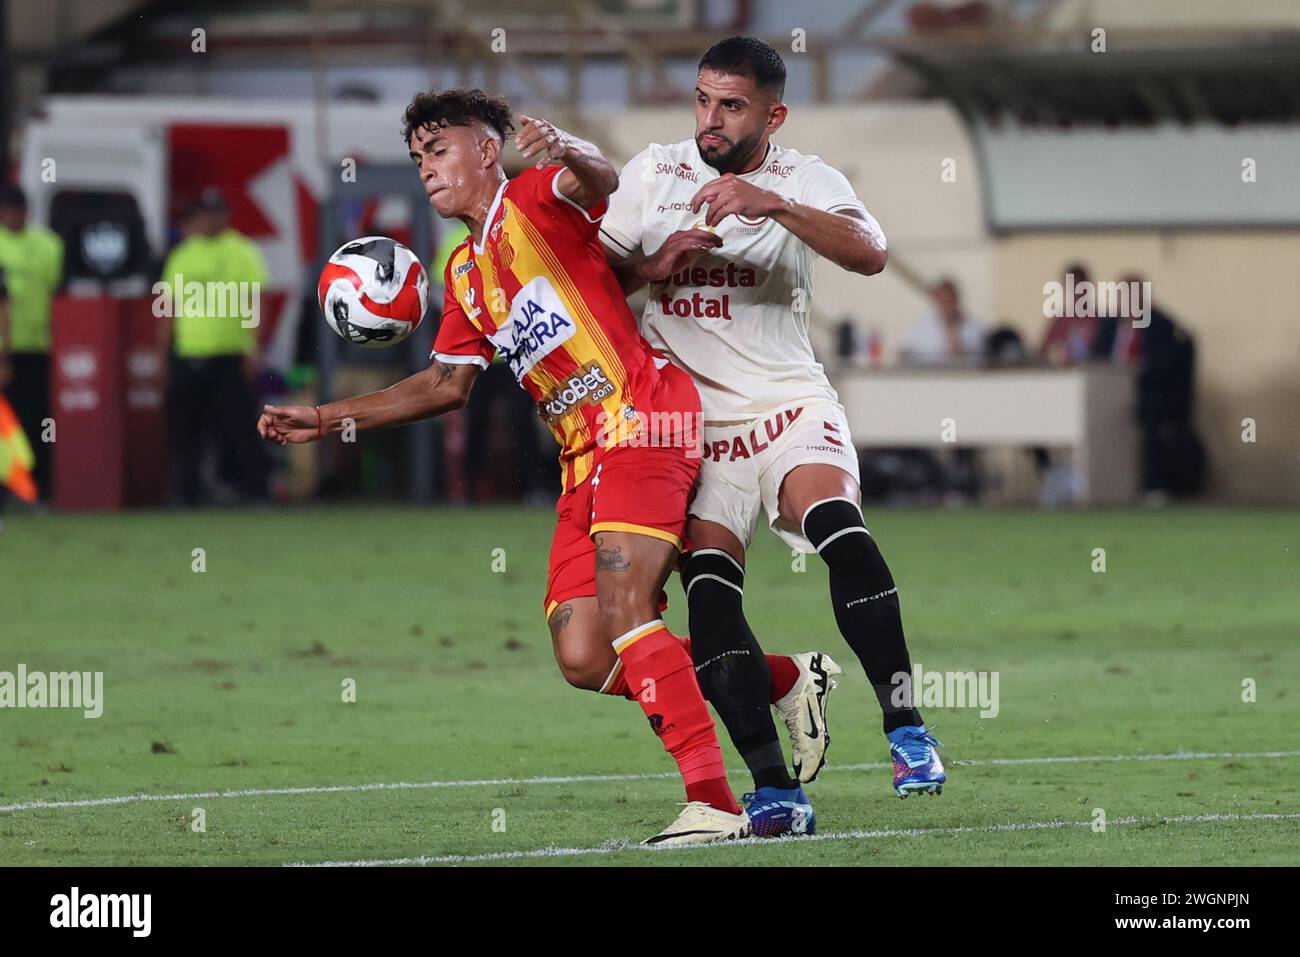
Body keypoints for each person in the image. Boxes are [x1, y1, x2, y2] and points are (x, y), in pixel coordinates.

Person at [257, 89, 751, 845]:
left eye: (441, 149)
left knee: (627, 611)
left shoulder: (533, 195)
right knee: (584, 651)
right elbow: (444, 386)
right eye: (419, 156)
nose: (427, 167)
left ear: (487, 151)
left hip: (645, 418)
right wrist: (326, 417)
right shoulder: (462, 274)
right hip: (582, 459)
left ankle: (714, 802)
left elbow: (601, 182)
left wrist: (568, 147)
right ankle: (779, 680)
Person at [600, 36, 944, 826]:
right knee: (712, 597)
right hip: (690, 424)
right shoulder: (654, 173)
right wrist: (651, 268)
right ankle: (776, 788)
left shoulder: (805, 178)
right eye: (702, 100)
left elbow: (872, 253)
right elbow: (597, 278)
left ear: (772, 114)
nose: (710, 120)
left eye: (731, 106)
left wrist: (776, 205)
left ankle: (905, 726)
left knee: (840, 529)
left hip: (789, 402)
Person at [163, 188, 270, 505]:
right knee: (187, 430)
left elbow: (257, 300)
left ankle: (253, 490)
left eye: (217, 213)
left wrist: (255, 347)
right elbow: (168, 306)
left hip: (230, 354)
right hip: (189, 353)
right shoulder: (183, 253)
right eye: (206, 213)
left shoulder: (242, 251)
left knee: (238, 427)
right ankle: (186, 494)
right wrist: (161, 355)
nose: (211, 219)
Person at [0, 183, 64, 504]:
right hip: (3, 350)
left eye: (18, 210)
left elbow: (59, 295)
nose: (13, 216)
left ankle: (36, 488)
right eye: (8, 210)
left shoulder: (49, 245)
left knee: (38, 420)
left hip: (38, 345)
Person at [899, 277, 985, 365]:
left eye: (949, 300)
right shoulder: (924, 325)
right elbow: (908, 350)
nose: (947, 306)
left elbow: (976, 356)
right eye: (943, 300)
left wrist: (952, 331)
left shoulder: (972, 326)